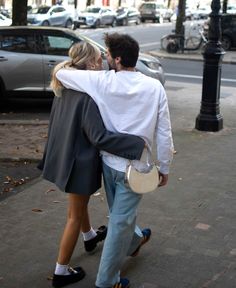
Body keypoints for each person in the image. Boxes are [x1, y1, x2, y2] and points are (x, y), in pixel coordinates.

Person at [56, 33, 174, 288]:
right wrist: (164, 167)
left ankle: (123, 256)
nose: (105, 58)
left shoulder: (102, 82)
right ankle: (110, 277)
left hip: (110, 165)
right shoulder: (154, 87)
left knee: (119, 217)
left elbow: (62, 74)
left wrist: (69, 64)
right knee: (119, 220)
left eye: (107, 54)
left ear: (118, 59)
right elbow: (164, 132)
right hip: (138, 168)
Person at [38, 41, 145, 288]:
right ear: (89, 63)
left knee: (80, 204)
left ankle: (89, 237)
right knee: (74, 216)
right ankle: (61, 271)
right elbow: (100, 137)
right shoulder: (87, 96)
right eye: (98, 59)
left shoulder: (63, 86)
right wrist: (137, 144)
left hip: (64, 158)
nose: (102, 63)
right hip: (79, 163)